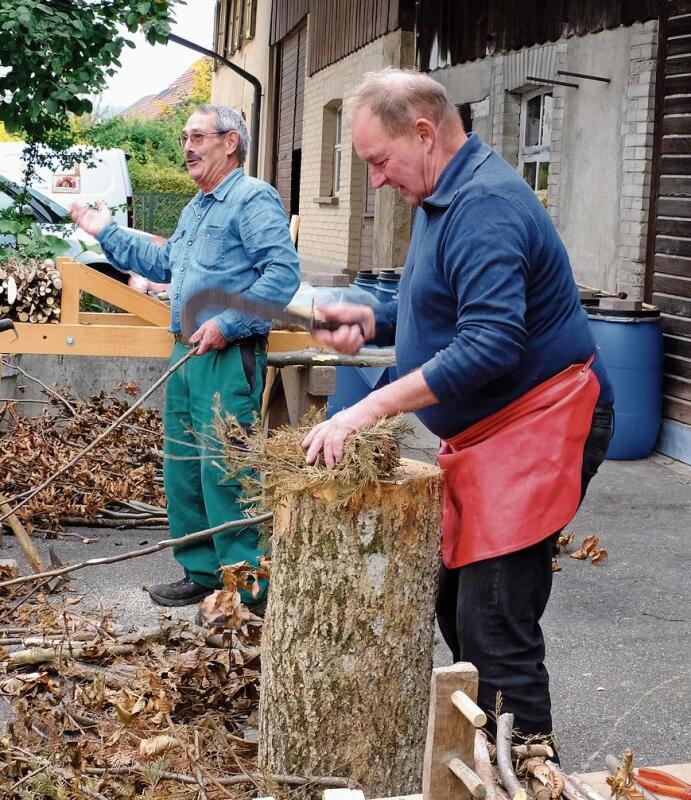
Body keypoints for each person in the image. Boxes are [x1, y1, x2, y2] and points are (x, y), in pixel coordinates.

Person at [302, 69, 614, 744]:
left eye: (378, 161)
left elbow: (492, 343)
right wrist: (374, 317)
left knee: (494, 619)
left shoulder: (484, 205)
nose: (376, 180)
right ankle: (482, 755)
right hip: (490, 437)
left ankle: (528, 770)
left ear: (422, 132)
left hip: (539, 423)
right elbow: (438, 308)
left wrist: (365, 408)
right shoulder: (442, 198)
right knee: (457, 606)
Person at [71, 103, 300, 611]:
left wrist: (229, 322)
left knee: (227, 468)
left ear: (230, 142)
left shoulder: (251, 199)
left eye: (196, 137)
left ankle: (249, 587)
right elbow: (162, 262)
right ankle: (201, 572)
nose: (187, 148)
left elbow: (281, 277)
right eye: (182, 139)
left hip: (227, 353)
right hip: (186, 352)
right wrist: (103, 229)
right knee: (184, 469)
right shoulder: (197, 208)